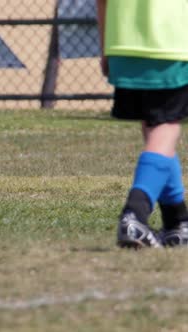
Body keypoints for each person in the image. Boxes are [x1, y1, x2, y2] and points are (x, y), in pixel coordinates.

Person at [96, 0, 188, 248]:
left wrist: (105, 48)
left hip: (123, 44)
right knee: (168, 126)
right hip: (171, 45)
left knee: (155, 127)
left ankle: (177, 222)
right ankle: (135, 214)